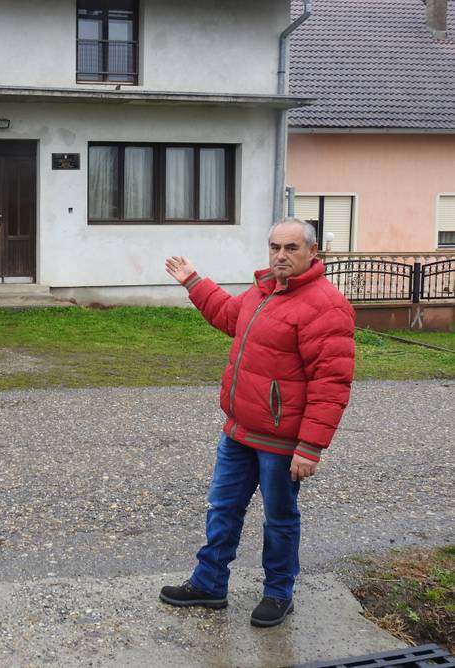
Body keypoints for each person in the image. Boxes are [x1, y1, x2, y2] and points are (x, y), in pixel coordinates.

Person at [159, 218, 355, 627]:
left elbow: (331, 382)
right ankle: (209, 583)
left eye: (291, 248)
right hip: (239, 431)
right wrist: (194, 281)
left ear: (313, 252)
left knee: (280, 519)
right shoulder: (263, 290)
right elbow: (230, 315)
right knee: (223, 510)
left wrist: (310, 446)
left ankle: (279, 593)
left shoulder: (326, 305)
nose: (281, 255)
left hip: (282, 441)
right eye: (274, 247)